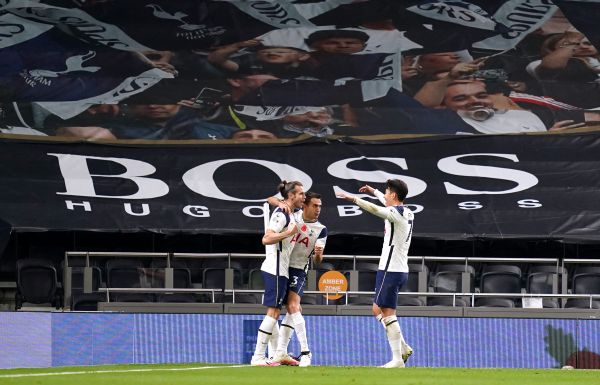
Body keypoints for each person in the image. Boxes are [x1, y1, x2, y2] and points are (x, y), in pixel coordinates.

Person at [336, 179, 414, 368]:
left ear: (394, 195)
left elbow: (378, 210)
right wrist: (375, 191)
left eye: (387, 192)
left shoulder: (395, 214)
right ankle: (402, 346)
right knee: (376, 310)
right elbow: (386, 202)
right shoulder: (408, 212)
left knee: (387, 314)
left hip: (391, 270)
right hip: (397, 269)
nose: (385, 195)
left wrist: (355, 199)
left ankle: (397, 359)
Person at [267, 192, 327, 367]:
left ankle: (306, 352)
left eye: (320, 206)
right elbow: (269, 199)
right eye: (315, 205)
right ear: (305, 205)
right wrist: (280, 202)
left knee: (293, 306)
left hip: (299, 269)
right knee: (286, 309)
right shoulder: (293, 216)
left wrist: (318, 255)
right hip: (281, 266)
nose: (318, 209)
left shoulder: (321, 229)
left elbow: (318, 260)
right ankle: (280, 352)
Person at [250, 181, 305, 366]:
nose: (303, 197)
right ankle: (258, 356)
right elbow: (266, 238)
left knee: (276, 311)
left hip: (282, 269)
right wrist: (287, 233)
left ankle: (276, 354)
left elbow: (271, 198)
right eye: (301, 194)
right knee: (273, 311)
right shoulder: (282, 214)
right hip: (274, 267)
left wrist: (275, 200)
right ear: (292, 196)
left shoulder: (292, 211)